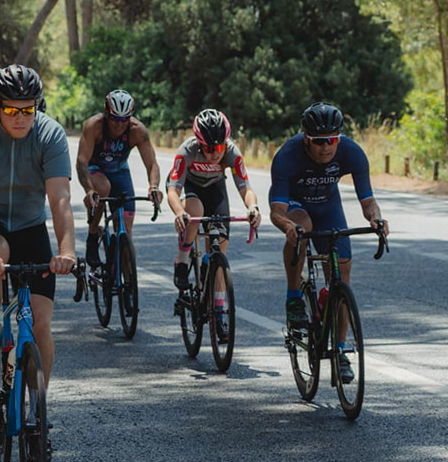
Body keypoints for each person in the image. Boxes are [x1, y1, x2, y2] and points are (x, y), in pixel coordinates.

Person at [0, 64, 75, 406]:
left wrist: (67, 251)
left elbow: (60, 198)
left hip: (30, 226)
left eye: (28, 110)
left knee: (40, 323)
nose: (21, 118)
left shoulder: (50, 134)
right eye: (11, 111)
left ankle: (37, 409)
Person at [269, 101, 389, 382]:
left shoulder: (352, 152)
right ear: (306, 139)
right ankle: (294, 296)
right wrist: (288, 227)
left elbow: (368, 201)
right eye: (319, 141)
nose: (326, 147)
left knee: (341, 278)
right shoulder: (287, 155)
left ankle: (341, 349)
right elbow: (277, 211)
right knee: (303, 228)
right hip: (295, 206)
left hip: (328, 207)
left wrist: (376, 219)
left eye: (332, 140)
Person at [167, 108, 261, 292]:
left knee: (220, 248)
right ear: (199, 144)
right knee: (195, 211)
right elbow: (172, 191)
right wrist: (179, 212)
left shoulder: (232, 152)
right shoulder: (187, 151)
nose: (215, 154)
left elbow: (245, 188)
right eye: (209, 149)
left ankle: (217, 303)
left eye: (219, 148)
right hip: (189, 187)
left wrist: (253, 207)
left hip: (215, 188)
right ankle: (183, 259)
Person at [75, 89, 162, 266]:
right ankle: (93, 236)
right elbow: (82, 162)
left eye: (124, 119)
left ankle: (126, 276)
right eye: (115, 119)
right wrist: (89, 190)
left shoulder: (137, 130)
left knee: (126, 229)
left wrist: (154, 187)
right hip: (94, 169)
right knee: (103, 188)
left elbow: (152, 164)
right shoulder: (94, 126)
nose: (119, 124)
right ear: (106, 113)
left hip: (119, 171)